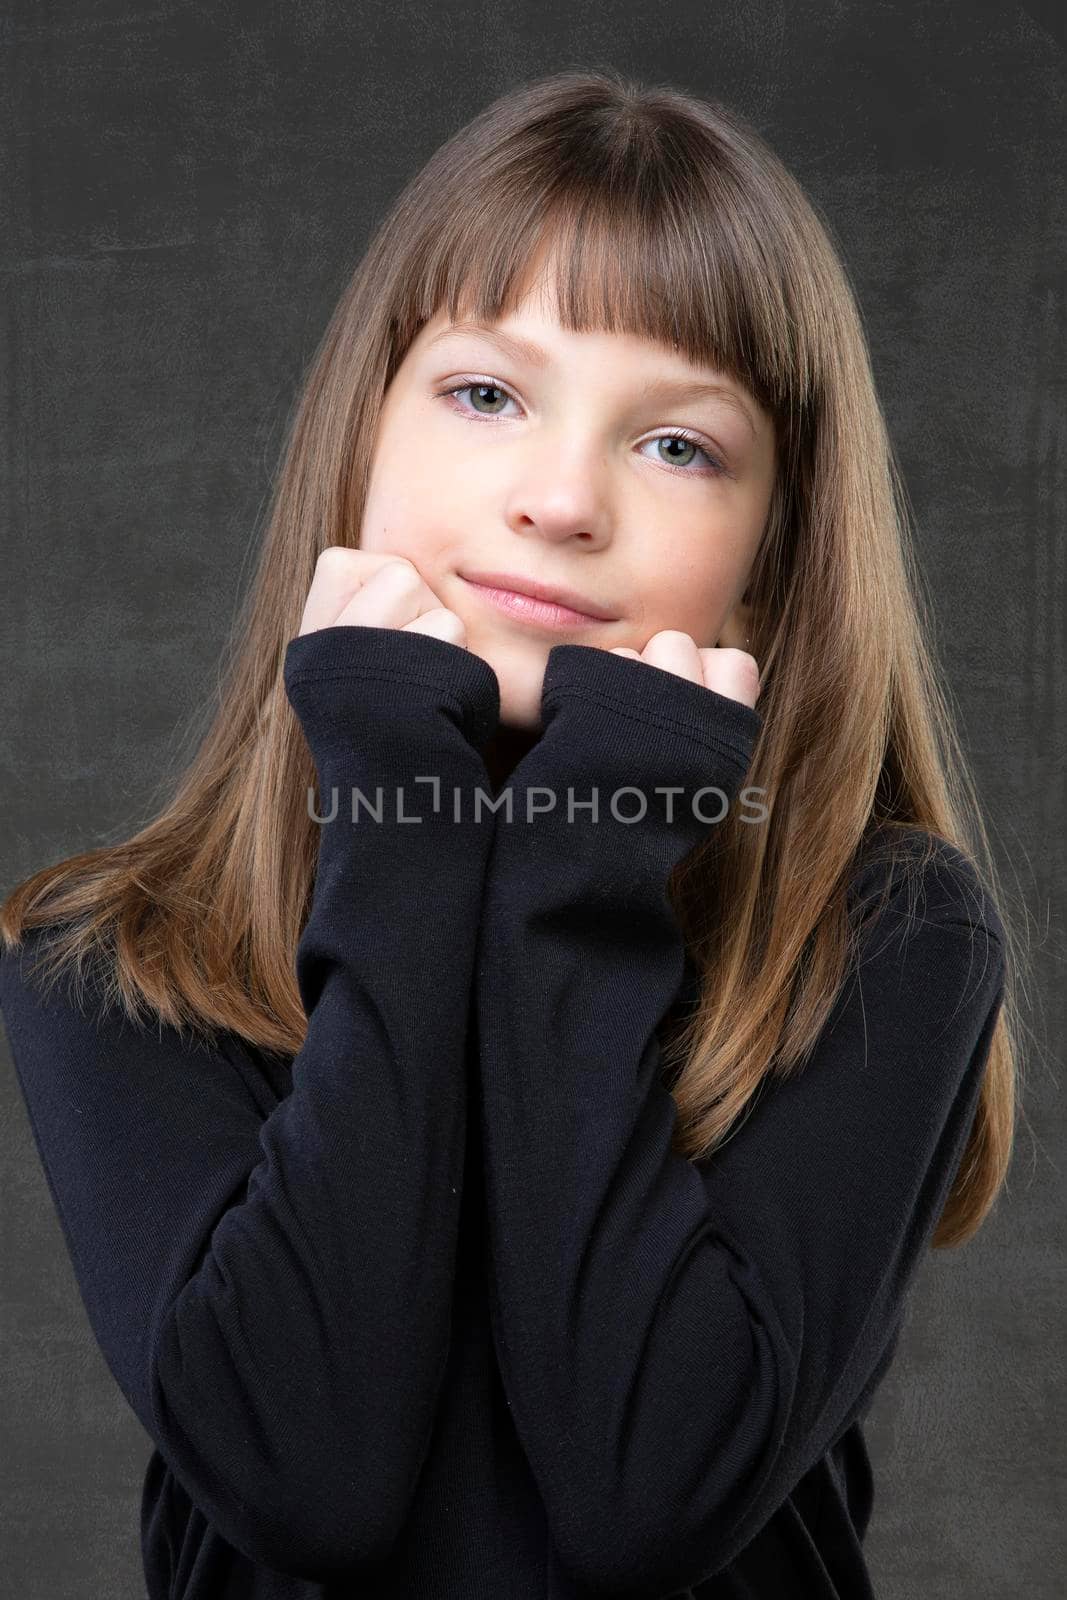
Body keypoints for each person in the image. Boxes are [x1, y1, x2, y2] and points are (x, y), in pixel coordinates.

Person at [0, 67, 1023, 1599]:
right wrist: (406, 836)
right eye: (488, 395)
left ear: (767, 561)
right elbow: (309, 1486)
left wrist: (577, 873)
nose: (559, 500)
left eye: (677, 446)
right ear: (363, 436)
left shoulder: (885, 936)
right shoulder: (116, 963)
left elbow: (645, 1503)